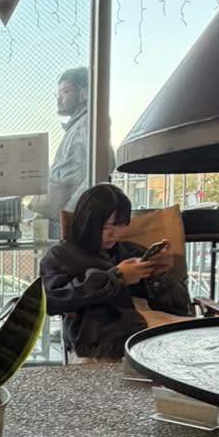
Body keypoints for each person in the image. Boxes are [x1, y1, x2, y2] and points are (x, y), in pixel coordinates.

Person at [39, 182, 190, 359]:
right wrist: (118, 278)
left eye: (121, 225)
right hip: (103, 339)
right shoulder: (61, 256)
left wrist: (159, 277)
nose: (115, 234)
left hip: (149, 330)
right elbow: (49, 301)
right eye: (106, 227)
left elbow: (180, 306)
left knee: (195, 341)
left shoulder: (131, 251)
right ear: (86, 222)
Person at [27, 68, 113, 237]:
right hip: (60, 216)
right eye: (58, 94)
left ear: (84, 93)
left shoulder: (88, 123)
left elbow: (105, 163)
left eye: (65, 92)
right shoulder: (78, 125)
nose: (59, 99)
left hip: (68, 219)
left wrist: (72, 211)